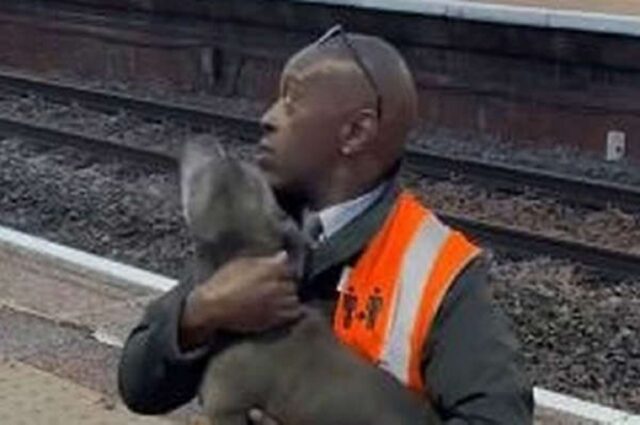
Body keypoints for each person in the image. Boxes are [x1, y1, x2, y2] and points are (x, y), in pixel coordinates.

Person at [118, 25, 534, 424]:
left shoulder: (436, 270)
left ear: (355, 132)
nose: (267, 117)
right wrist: (200, 313)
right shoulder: (254, 225)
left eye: (290, 102)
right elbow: (139, 387)